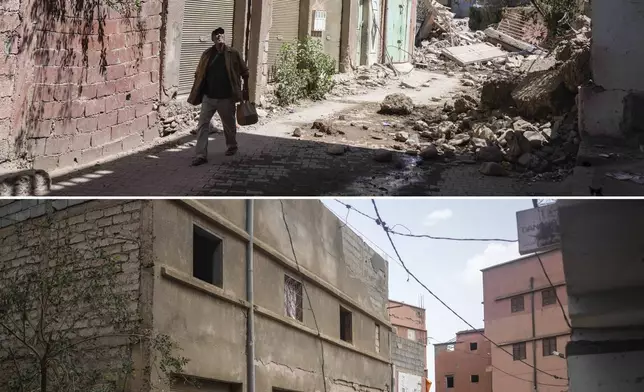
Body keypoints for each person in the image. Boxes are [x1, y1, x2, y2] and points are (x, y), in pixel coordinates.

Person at [187, 27, 250, 166]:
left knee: (229, 125)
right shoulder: (207, 54)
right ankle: (201, 154)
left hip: (226, 98)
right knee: (202, 124)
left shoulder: (233, 53)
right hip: (209, 97)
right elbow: (198, 73)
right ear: (212, 38)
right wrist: (198, 91)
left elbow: (245, 72)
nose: (219, 36)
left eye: (221, 34)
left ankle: (232, 146)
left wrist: (245, 91)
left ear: (225, 37)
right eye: (216, 34)